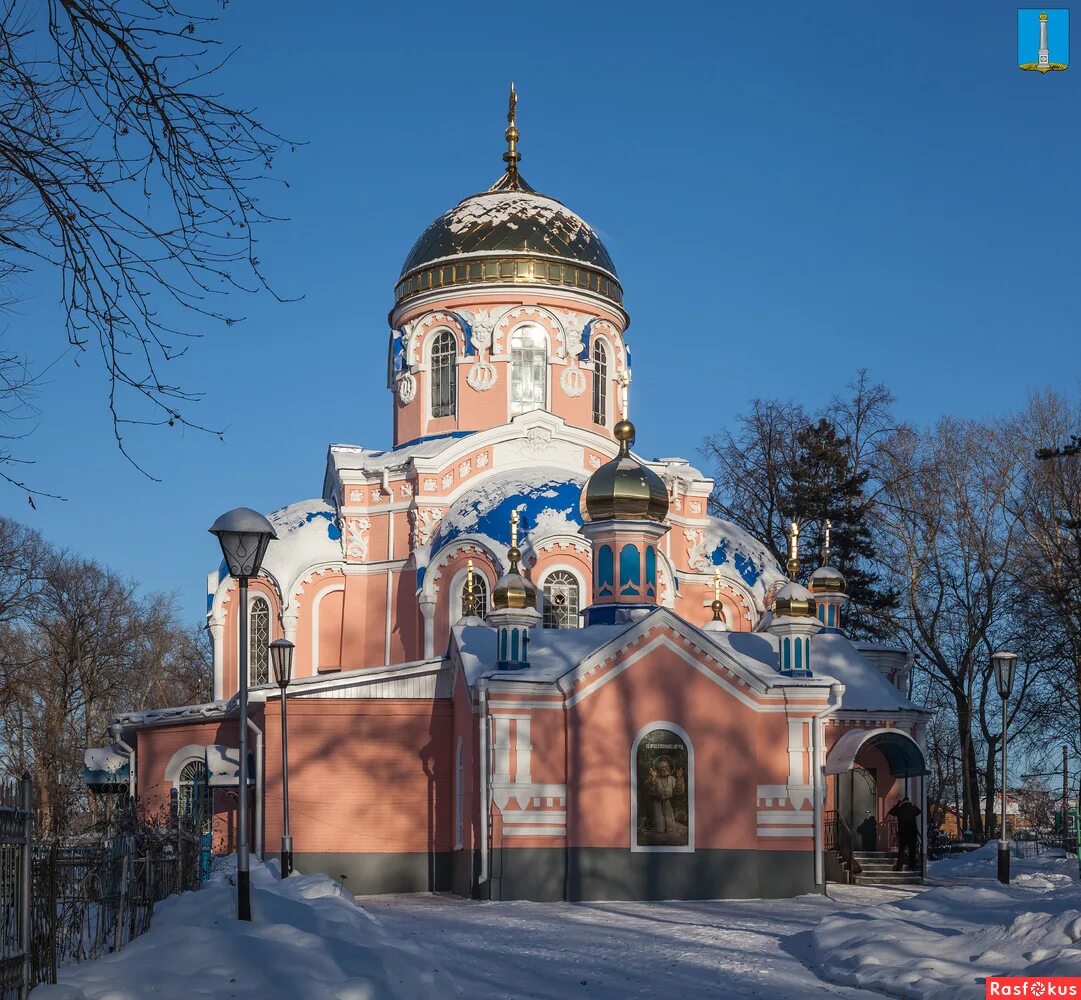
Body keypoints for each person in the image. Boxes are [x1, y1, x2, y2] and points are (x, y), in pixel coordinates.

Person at [889, 796, 922, 871]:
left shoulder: (899, 809)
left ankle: (899, 867)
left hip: (902, 833)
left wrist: (897, 805)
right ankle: (912, 866)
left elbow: (891, 812)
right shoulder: (912, 808)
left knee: (901, 852)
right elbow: (919, 811)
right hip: (912, 833)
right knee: (912, 851)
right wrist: (913, 805)